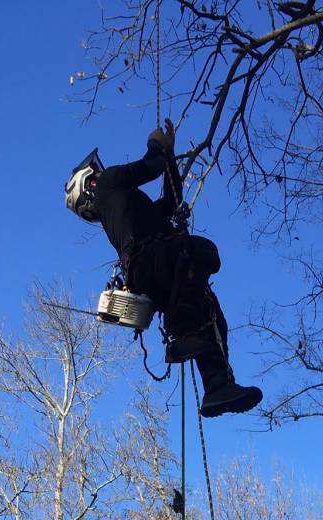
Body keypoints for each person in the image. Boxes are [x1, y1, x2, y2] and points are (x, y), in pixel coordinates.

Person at [64, 120, 262, 419]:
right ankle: (180, 336)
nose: (101, 172)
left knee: (211, 315)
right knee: (201, 251)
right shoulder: (107, 184)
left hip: (156, 268)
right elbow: (149, 166)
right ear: (88, 184)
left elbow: (171, 200)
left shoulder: (133, 209)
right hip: (151, 261)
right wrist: (157, 146)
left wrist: (168, 157)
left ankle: (218, 386)